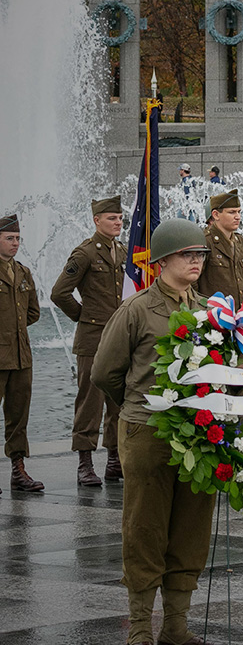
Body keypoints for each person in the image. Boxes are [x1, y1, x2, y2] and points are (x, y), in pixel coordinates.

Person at [92, 218, 215, 645]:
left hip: (200, 434)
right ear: (163, 261)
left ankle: (176, 626)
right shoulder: (137, 309)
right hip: (148, 431)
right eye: (187, 254)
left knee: (191, 529)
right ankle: (141, 626)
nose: (196, 261)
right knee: (145, 528)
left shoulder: (208, 311)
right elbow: (105, 372)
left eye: (200, 254)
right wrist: (137, 405)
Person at [50, 196, 127, 487]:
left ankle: (113, 460)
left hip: (118, 338)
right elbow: (59, 293)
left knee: (117, 401)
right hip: (93, 337)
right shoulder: (85, 253)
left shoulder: (121, 251)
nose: (118, 222)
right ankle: (84, 463)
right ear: (97, 220)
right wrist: (84, 316)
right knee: (90, 402)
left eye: (120, 218)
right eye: (111, 218)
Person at [0, 213, 42, 493]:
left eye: (17, 239)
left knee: (18, 415)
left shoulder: (23, 272)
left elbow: (34, 312)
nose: (15, 243)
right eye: (9, 238)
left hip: (21, 356)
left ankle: (18, 470)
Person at [195, 189, 243, 305]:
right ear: (216, 215)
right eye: (232, 212)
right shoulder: (204, 242)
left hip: (239, 315)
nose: (238, 217)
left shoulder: (242, 242)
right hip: (213, 317)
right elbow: (192, 282)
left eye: (239, 212)